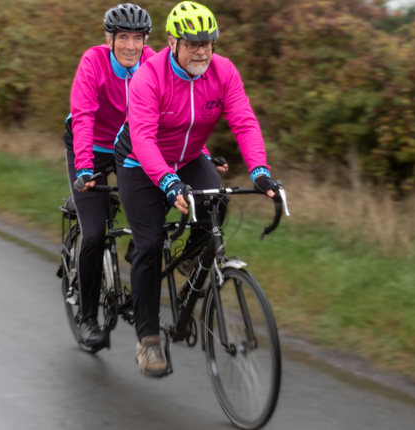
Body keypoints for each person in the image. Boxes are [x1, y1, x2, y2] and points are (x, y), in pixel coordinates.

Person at [114, 1, 277, 377]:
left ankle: (191, 265)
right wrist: (168, 183)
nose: (202, 51)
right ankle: (149, 339)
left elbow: (244, 122)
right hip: (140, 161)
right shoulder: (149, 77)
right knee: (151, 243)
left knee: (216, 204)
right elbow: (142, 137)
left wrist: (260, 171)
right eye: (193, 43)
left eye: (209, 42)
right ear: (172, 42)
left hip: (187, 157)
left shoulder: (223, 72)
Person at [64, 3, 154, 349]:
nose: (131, 45)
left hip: (132, 147)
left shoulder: (153, 63)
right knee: (95, 232)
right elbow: (83, 116)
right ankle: (87, 318)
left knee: (153, 213)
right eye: (123, 38)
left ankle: (135, 259)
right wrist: (85, 168)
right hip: (93, 148)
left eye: (137, 38)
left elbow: (171, 113)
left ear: (146, 40)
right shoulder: (94, 62)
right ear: (109, 38)